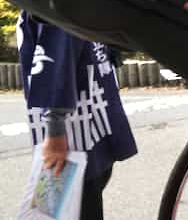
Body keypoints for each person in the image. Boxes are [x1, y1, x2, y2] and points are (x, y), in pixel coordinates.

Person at [17, 13, 137, 219]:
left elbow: (56, 55)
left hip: (72, 133)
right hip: (93, 118)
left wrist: (55, 130)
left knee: (69, 205)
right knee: (78, 201)